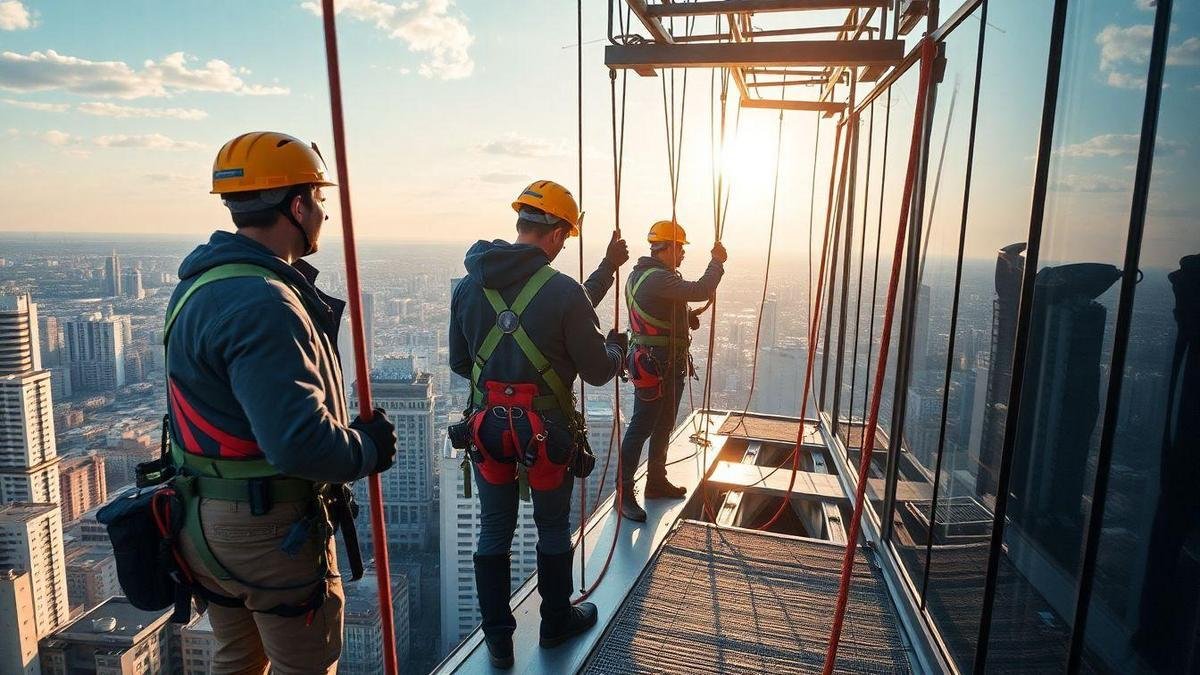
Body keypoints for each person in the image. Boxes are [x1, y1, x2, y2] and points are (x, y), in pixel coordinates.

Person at [165, 131, 398, 674]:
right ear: (295, 206)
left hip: (204, 520)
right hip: (265, 530)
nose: (322, 213)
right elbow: (299, 442)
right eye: (318, 200)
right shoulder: (265, 302)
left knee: (237, 660)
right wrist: (366, 449)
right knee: (305, 665)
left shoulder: (201, 285)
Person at [449, 180, 628, 668]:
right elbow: (594, 369)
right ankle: (554, 624)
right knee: (551, 528)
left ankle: (499, 641)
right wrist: (616, 350)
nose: (564, 245)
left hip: (486, 430)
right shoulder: (562, 291)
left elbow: (462, 364)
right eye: (566, 237)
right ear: (554, 233)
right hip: (546, 433)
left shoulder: (468, 285)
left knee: (493, 532)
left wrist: (505, 369)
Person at [619, 220, 727, 522]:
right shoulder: (655, 278)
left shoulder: (650, 276)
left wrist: (683, 317)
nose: (682, 255)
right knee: (641, 426)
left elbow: (657, 310)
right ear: (666, 247)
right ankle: (624, 493)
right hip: (655, 363)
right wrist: (716, 262)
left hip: (664, 362)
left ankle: (655, 481)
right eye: (679, 248)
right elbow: (702, 288)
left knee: (664, 423)